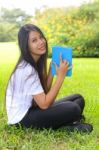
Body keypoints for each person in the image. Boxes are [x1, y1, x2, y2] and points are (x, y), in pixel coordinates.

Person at [6, 24, 93, 133]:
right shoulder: (27, 70)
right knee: (74, 108)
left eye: (41, 37)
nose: (41, 42)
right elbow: (45, 104)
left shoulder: (34, 64)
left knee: (78, 99)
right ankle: (65, 126)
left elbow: (44, 95)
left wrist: (52, 72)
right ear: (26, 46)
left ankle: (65, 122)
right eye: (34, 40)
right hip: (22, 120)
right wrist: (60, 77)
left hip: (34, 109)